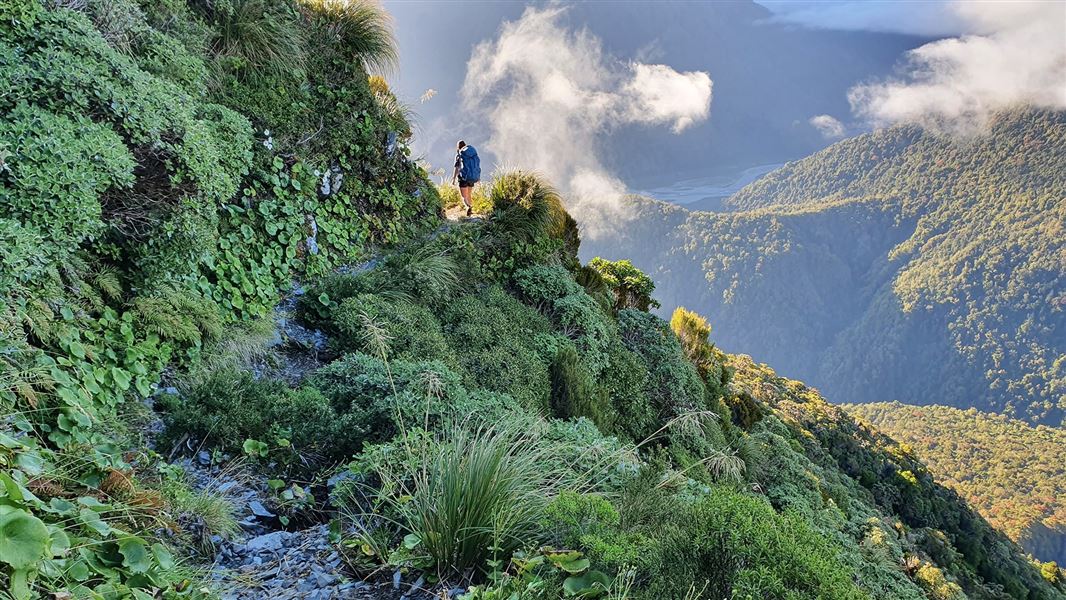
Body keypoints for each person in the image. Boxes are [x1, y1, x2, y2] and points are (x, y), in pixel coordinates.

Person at [452, 140, 480, 217]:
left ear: (458, 147)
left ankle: (468, 207)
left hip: (463, 178)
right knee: (469, 194)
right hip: (472, 177)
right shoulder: (472, 153)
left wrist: (454, 179)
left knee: (464, 196)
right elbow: (476, 165)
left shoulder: (459, 155)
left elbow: (457, 168)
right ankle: (471, 211)